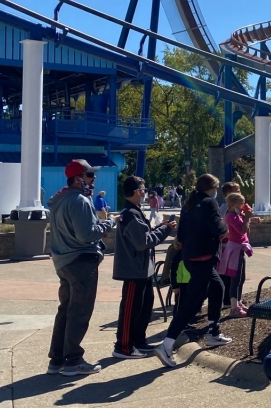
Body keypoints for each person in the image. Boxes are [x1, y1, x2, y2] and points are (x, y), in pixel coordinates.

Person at [154, 174, 231, 369]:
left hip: (190, 257)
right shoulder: (209, 203)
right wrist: (225, 226)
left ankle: (214, 332)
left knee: (217, 287)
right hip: (204, 257)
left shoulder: (189, 203)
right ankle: (167, 344)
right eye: (216, 188)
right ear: (212, 188)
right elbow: (218, 227)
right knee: (192, 304)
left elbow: (181, 230)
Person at [47, 159, 114, 376]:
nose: (94, 179)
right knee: (79, 311)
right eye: (90, 175)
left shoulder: (59, 200)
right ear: (78, 179)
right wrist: (108, 224)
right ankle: (74, 361)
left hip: (63, 261)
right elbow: (86, 234)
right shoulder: (79, 201)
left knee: (66, 310)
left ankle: (57, 360)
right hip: (80, 261)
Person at [112, 176, 175, 359]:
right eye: (142, 190)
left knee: (144, 306)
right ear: (135, 192)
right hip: (133, 270)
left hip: (143, 269)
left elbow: (145, 235)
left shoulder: (136, 211)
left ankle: (138, 340)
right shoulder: (129, 214)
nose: (145, 194)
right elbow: (143, 242)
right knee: (131, 308)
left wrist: (161, 227)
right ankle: (123, 346)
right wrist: (165, 230)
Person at [218, 192, 255, 317]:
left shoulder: (238, 215)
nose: (243, 205)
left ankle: (238, 303)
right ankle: (234, 307)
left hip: (240, 248)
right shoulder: (230, 216)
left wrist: (247, 218)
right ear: (233, 204)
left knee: (241, 277)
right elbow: (241, 230)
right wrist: (247, 218)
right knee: (236, 278)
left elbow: (246, 232)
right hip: (234, 250)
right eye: (241, 203)